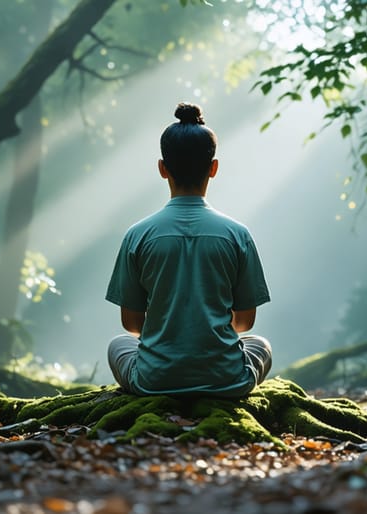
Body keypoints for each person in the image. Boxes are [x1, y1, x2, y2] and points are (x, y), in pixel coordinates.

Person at [105, 102, 272, 397]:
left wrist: (170, 336)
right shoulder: (237, 235)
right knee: (261, 345)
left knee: (118, 344)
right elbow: (245, 322)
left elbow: (131, 323)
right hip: (227, 380)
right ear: (214, 168)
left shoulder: (138, 235)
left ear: (162, 168)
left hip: (154, 380)